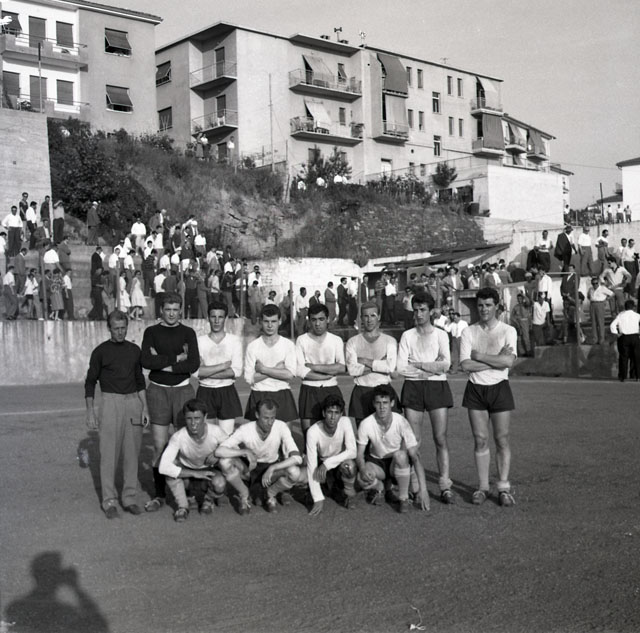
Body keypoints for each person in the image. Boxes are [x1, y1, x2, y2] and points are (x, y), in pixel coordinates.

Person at [84, 310, 149, 518]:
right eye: (116, 328)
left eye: (123, 328)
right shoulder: (100, 352)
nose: (120, 332)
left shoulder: (134, 350)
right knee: (109, 455)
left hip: (133, 402)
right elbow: (90, 382)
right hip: (110, 403)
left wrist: (144, 407)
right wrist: (90, 412)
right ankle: (109, 501)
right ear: (109, 328)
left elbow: (139, 380)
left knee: (132, 454)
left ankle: (129, 498)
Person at [141, 292, 200, 513]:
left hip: (183, 390)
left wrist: (162, 363)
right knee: (159, 446)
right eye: (168, 309)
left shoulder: (188, 333)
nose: (172, 314)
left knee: (185, 444)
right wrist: (176, 359)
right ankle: (159, 495)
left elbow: (193, 364)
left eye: (175, 309)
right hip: (157, 391)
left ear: (180, 310)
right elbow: (146, 361)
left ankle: (189, 492)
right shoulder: (151, 332)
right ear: (161, 310)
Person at [460, 287, 517, 507]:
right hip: (476, 389)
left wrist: (480, 356)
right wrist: (495, 360)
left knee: (502, 439)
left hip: (499, 387)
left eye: (488, 305)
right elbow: (465, 365)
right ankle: (483, 487)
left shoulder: (508, 330)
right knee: (480, 439)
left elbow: (508, 362)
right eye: (480, 305)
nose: (484, 309)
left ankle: (503, 487)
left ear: (497, 306)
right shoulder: (469, 332)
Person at [396, 292, 454, 504]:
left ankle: (445, 484)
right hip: (413, 388)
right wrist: (431, 368)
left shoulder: (441, 335)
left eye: (423, 310)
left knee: (440, 438)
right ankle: (415, 486)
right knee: (414, 440)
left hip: (437, 387)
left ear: (431, 311)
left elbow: (445, 364)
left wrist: (419, 364)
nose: (419, 314)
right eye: (416, 310)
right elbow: (401, 367)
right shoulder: (407, 336)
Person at [215, 398, 305, 514]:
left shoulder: (281, 426)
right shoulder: (245, 429)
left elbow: (297, 458)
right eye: (266, 418)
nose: (270, 422)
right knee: (224, 462)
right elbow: (219, 451)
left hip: (271, 469)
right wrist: (244, 452)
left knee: (294, 472)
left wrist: (273, 467)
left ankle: (270, 495)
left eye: (272, 418)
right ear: (257, 415)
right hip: (250, 469)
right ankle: (244, 495)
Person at [356, 385, 430, 513]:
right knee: (360, 478)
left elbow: (415, 457)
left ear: (392, 403)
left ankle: (404, 498)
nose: (382, 407)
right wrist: (362, 469)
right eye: (378, 403)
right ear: (373, 404)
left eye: (385, 402)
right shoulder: (366, 423)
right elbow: (359, 455)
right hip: (377, 463)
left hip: (396, 463)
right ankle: (379, 487)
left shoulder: (401, 422)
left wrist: (424, 491)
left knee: (400, 455)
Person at [158, 399, 228, 521]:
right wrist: (194, 473)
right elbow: (163, 467)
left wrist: (218, 453)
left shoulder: (216, 431)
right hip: (188, 475)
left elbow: (235, 450)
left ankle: (208, 500)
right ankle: (183, 507)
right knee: (170, 468)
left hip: (208, 473)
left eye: (197, 418)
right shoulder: (178, 436)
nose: (193, 423)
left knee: (220, 481)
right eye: (189, 418)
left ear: (205, 417)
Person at [295, 303, 346, 442]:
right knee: (309, 437)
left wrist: (314, 367)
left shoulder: (336, 340)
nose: (317, 324)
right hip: (308, 391)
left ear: (327, 319)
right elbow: (300, 370)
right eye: (314, 319)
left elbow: (341, 367)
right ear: (309, 320)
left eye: (321, 319)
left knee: (336, 436)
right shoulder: (301, 340)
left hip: (331, 389)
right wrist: (327, 374)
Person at [244, 303, 298, 426]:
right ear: (260, 322)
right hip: (258, 393)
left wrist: (263, 369)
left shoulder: (288, 345)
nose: (269, 325)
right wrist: (277, 369)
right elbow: (249, 378)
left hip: (282, 394)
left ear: (279, 321)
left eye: (273, 321)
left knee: (284, 435)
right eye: (266, 321)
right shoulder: (253, 346)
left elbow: (289, 375)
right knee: (257, 436)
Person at [345, 302, 399, 426]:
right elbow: (352, 370)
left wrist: (364, 361)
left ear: (378, 317)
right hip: (361, 392)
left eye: (373, 315)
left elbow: (390, 367)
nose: (369, 320)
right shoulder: (353, 342)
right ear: (361, 318)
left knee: (387, 435)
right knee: (363, 435)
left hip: (384, 391)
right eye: (366, 316)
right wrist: (381, 364)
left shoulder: (390, 341)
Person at [196, 300, 243, 435]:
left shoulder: (234, 341)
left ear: (226, 319)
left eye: (220, 317)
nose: (217, 321)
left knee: (226, 437)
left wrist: (205, 371)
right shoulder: (199, 341)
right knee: (207, 437)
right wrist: (222, 366)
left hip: (227, 391)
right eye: (213, 317)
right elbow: (195, 371)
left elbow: (236, 371)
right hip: (205, 391)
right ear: (208, 318)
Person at [306, 394, 357, 515]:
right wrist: (317, 498)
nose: (333, 417)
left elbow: (352, 451)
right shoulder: (313, 431)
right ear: (324, 413)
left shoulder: (345, 422)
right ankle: (321, 488)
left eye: (336, 413)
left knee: (349, 466)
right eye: (329, 412)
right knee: (303, 477)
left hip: (338, 463)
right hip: (322, 464)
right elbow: (311, 464)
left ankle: (349, 494)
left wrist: (328, 464)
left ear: (341, 414)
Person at [610, 299, 640, 382]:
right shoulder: (637, 315)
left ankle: (623, 376)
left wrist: (616, 333)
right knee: (636, 357)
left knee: (623, 357)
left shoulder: (620, 315)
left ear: (625, 307)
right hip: (635, 337)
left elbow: (612, 325)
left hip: (624, 337)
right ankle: (637, 375)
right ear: (633, 307)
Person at [587, 277, 613, 345]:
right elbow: (588, 296)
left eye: (596, 283)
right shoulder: (590, 289)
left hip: (600, 304)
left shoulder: (603, 288)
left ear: (598, 283)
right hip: (592, 304)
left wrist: (606, 300)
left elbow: (612, 294)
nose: (595, 285)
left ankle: (601, 339)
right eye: (593, 283)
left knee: (600, 322)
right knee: (593, 323)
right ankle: (595, 339)